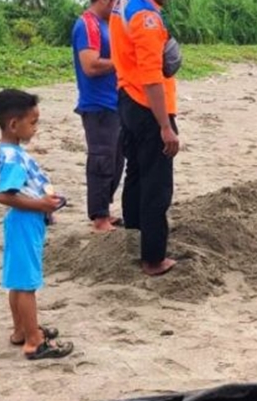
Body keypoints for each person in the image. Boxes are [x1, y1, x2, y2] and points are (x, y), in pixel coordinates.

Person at [0, 89, 74, 360]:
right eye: (33, 122)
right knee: (27, 283)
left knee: (17, 280)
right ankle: (34, 341)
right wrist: (42, 205)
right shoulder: (14, 158)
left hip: (23, 221)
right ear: (14, 124)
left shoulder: (10, 151)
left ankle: (21, 330)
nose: (36, 128)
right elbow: (5, 195)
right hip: (25, 221)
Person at [110, 0, 180, 276]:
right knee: (157, 182)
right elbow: (151, 77)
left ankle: (134, 231)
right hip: (148, 104)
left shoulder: (122, 5)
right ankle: (153, 258)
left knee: (136, 171)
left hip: (127, 97)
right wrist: (165, 125)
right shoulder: (145, 16)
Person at [72, 0, 125, 233]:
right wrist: (122, 62)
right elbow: (90, 65)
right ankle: (99, 216)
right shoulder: (88, 24)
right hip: (98, 105)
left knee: (116, 160)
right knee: (102, 160)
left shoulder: (105, 23)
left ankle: (104, 209)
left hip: (114, 103)